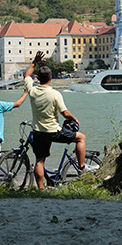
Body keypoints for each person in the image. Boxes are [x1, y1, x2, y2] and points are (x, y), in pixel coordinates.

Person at [24, 51, 90, 189]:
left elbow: (27, 75)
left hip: (38, 131)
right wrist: (74, 118)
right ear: (50, 77)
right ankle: (81, 167)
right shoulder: (55, 94)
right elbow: (65, 113)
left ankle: (41, 189)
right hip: (53, 131)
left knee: (39, 162)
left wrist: (35, 61)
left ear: (38, 78)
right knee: (80, 138)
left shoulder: (32, 91)